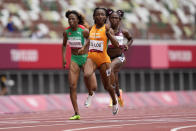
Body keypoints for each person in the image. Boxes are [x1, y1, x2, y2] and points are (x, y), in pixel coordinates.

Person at [79, 7, 119, 115]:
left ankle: (115, 102)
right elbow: (89, 39)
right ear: (94, 17)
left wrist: (109, 34)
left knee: (107, 86)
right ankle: (91, 93)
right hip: (91, 57)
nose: (100, 16)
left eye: (102, 14)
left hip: (103, 60)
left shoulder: (107, 29)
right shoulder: (91, 28)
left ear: (105, 17)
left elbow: (116, 44)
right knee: (86, 75)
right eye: (97, 14)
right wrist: (84, 47)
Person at [62, 10, 97, 120]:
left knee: (93, 85)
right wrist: (63, 58)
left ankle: (90, 92)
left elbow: (91, 39)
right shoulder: (66, 32)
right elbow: (63, 45)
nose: (71, 21)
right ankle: (76, 113)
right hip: (74, 59)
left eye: (73, 19)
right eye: (69, 19)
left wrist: (84, 47)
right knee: (72, 86)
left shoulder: (83, 30)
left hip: (85, 58)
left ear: (77, 20)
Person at [107, 9, 133, 107]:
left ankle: (113, 97)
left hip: (120, 57)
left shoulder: (124, 31)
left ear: (120, 20)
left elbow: (131, 39)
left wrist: (127, 45)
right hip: (108, 58)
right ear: (109, 19)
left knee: (110, 69)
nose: (114, 20)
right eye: (112, 18)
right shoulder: (107, 31)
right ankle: (118, 94)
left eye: (116, 18)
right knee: (115, 79)